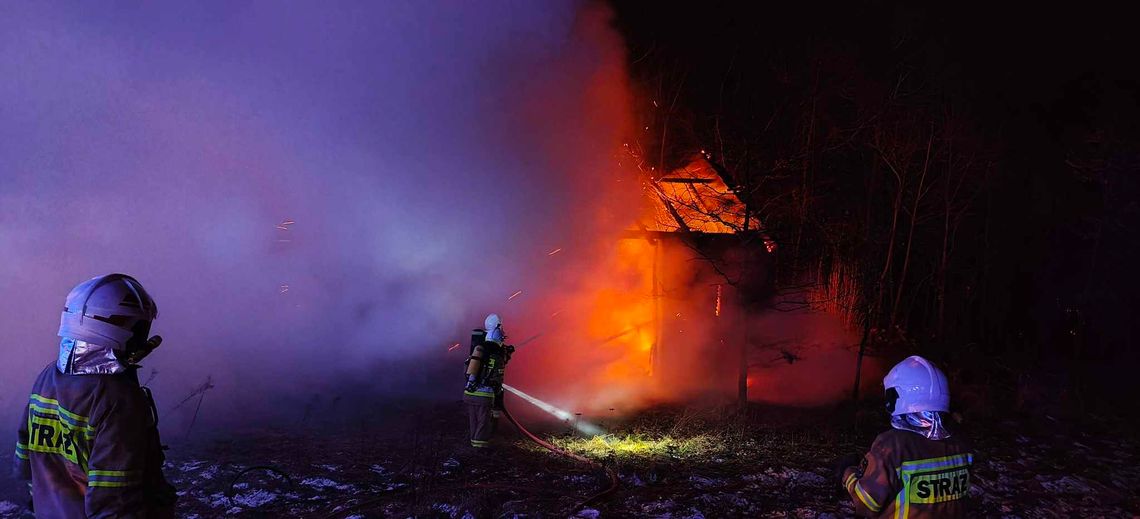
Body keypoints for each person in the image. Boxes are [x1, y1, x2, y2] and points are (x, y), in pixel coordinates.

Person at [14, 274, 176, 517]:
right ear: (110, 326)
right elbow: (115, 501)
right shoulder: (117, 398)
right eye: (136, 326)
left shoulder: (47, 376)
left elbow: (24, 461)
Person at [839, 355, 974, 518]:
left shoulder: (893, 445)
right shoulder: (961, 443)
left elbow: (867, 504)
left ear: (895, 398)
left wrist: (848, 475)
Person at [463, 313, 514, 449]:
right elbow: (497, 368)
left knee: (474, 421)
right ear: (498, 327)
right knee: (483, 423)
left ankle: (473, 446)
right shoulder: (494, 351)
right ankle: (480, 450)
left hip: (470, 392)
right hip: (484, 394)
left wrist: (506, 353)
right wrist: (506, 354)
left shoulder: (481, 349)